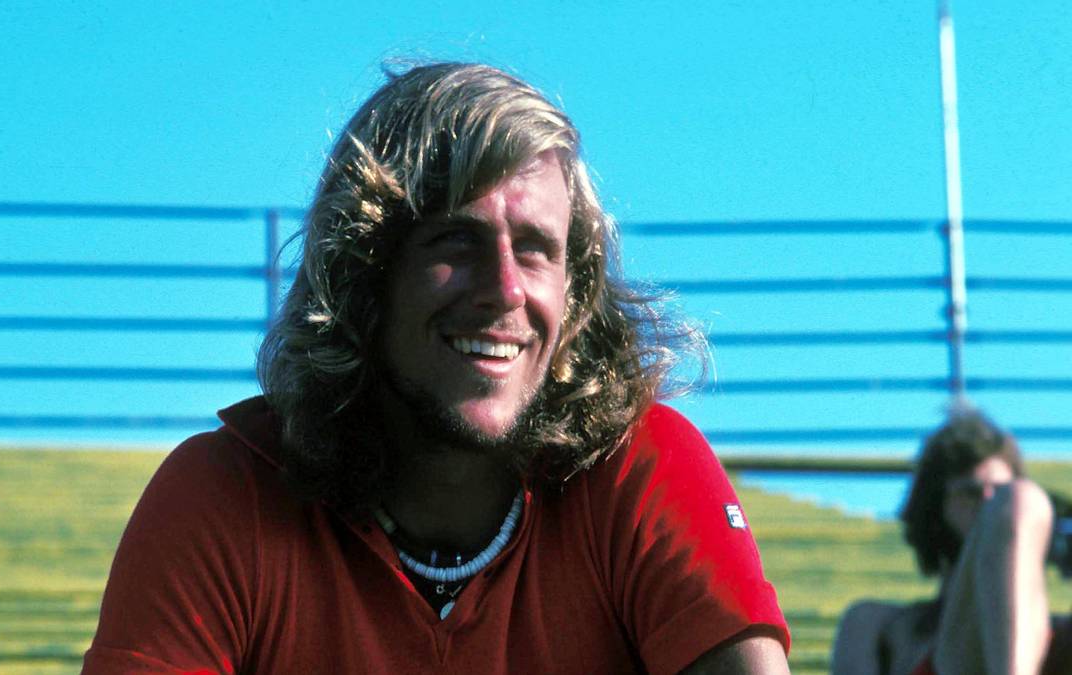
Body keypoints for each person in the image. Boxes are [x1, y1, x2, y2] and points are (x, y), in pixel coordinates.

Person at [83, 62, 790, 674]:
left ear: (574, 296)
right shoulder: (224, 494)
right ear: (363, 275)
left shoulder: (642, 466)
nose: (506, 290)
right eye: (457, 239)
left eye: (536, 249)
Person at [831, 409, 1072, 675]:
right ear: (936, 507)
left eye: (999, 490)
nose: (989, 504)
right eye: (971, 492)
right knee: (1020, 499)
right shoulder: (877, 623)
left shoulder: (1054, 634)